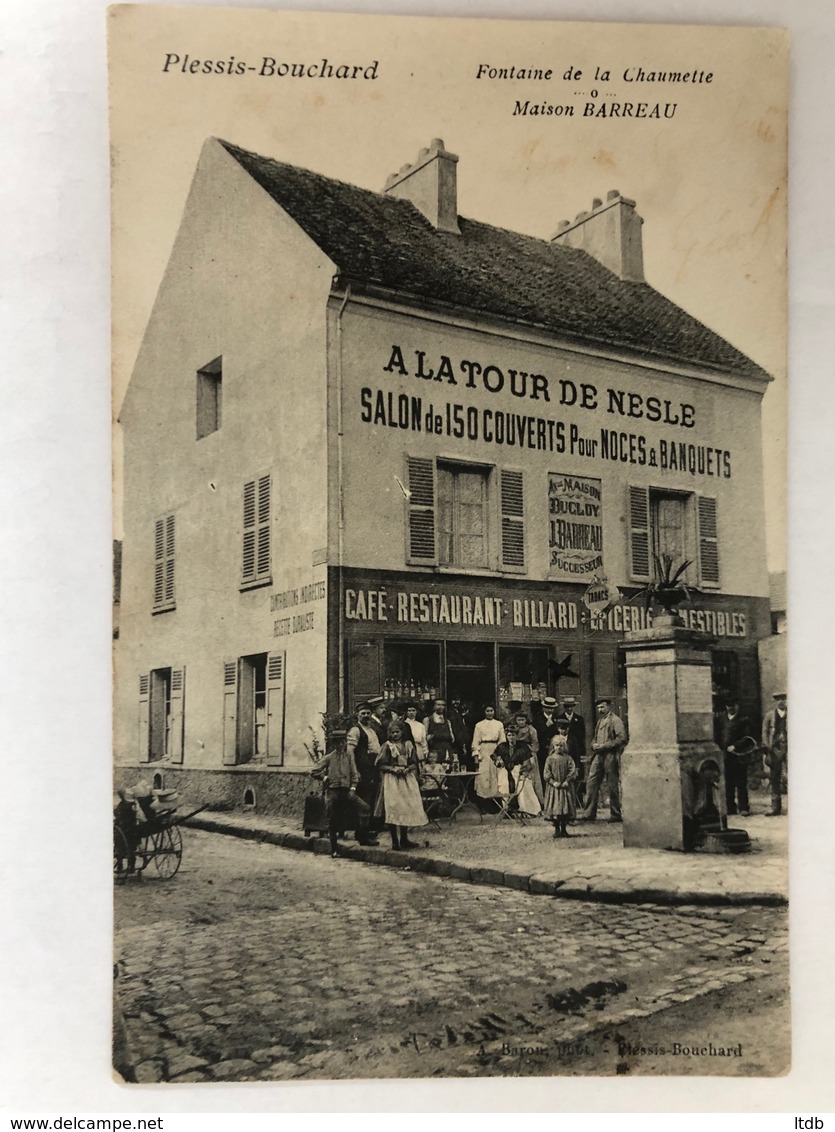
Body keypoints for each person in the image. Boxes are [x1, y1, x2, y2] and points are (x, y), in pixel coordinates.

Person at [311, 731, 379, 855]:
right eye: (338, 742)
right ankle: (334, 849)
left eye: (343, 742)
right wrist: (324, 778)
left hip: (347, 791)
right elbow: (314, 771)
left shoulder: (349, 756)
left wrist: (353, 789)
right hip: (333, 792)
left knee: (365, 808)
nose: (342, 745)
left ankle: (362, 837)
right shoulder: (329, 757)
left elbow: (354, 775)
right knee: (332, 819)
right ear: (334, 744)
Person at [375, 720, 428, 850]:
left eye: (397, 732)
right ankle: (395, 841)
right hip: (392, 780)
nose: (395, 735)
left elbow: (414, 762)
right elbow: (380, 764)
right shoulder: (387, 746)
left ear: (402, 732)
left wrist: (408, 768)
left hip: (406, 779)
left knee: (405, 806)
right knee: (394, 807)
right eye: (392, 732)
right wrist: (393, 769)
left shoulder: (408, 745)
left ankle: (404, 839)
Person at [579, 698, 627, 822]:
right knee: (591, 783)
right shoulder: (600, 721)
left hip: (610, 756)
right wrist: (593, 744)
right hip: (598, 755)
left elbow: (621, 738)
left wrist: (605, 745)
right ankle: (589, 813)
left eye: (602, 707)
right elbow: (595, 738)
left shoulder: (616, 721)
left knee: (612, 785)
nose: (600, 710)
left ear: (609, 707)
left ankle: (615, 814)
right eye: (598, 708)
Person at [716, 697, 753, 816]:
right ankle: (730, 807)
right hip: (726, 756)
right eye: (728, 706)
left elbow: (748, 738)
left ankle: (743, 808)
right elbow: (717, 735)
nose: (730, 708)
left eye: (733, 705)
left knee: (741, 782)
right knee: (728, 783)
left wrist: (735, 746)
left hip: (739, 756)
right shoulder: (721, 719)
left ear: (737, 706)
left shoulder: (743, 719)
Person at [346, 702, 384, 820]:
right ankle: (362, 827)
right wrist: (354, 770)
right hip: (363, 768)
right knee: (363, 797)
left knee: (372, 795)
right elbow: (350, 752)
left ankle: (370, 826)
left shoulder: (372, 730)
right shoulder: (355, 730)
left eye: (368, 713)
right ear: (357, 715)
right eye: (363, 713)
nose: (365, 716)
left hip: (373, 767)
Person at [496, 722, 541, 816]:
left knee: (523, 785)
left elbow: (528, 762)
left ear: (516, 735)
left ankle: (527, 810)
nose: (511, 737)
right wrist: (499, 761)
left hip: (518, 770)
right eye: (509, 735)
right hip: (505, 771)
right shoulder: (502, 746)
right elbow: (496, 759)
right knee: (504, 785)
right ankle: (508, 810)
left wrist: (524, 772)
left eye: (513, 735)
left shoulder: (523, 747)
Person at [542, 722, 578, 838]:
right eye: (557, 745)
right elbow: (546, 773)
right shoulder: (550, 759)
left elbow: (572, 770)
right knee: (555, 808)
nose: (559, 747)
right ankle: (557, 829)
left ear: (564, 746)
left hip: (565, 787)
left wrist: (568, 780)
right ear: (553, 746)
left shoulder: (568, 758)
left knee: (565, 808)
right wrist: (553, 782)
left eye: (561, 745)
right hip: (555, 788)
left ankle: (564, 829)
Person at [762, 692, 788, 816]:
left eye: (783, 699)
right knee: (775, 778)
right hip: (776, 750)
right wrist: (768, 747)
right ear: (775, 702)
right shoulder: (770, 716)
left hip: (790, 749)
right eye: (778, 700)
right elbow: (765, 732)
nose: (781, 702)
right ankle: (775, 807)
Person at [472, 705, 506, 799]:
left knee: (496, 774)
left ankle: (495, 801)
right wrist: (476, 756)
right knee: (484, 775)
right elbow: (475, 741)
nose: (490, 713)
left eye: (491, 710)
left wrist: (501, 754)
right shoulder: (479, 725)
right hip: (484, 750)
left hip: (495, 749)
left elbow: (502, 740)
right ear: (484, 712)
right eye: (487, 711)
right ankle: (484, 801)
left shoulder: (499, 724)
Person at [557, 696, 587, 795]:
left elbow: (582, 735)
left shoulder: (579, 719)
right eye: (567, 707)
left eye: (571, 707)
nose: (569, 709)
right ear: (564, 707)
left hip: (575, 749)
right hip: (563, 749)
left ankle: (578, 797)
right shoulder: (559, 718)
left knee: (576, 774)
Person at [513, 711, 544, 806]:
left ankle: (536, 802)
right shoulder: (514, 729)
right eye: (519, 720)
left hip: (529, 754)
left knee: (532, 777)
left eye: (523, 720)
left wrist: (531, 754)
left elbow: (535, 744)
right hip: (517, 754)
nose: (521, 722)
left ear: (526, 720)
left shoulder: (531, 730)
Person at [423, 699, 458, 765]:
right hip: (434, 753)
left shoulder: (447, 721)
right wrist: (433, 736)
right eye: (438, 705)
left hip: (447, 752)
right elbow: (424, 738)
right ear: (434, 706)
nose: (441, 707)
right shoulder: (428, 720)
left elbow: (452, 739)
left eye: (443, 705)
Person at [532, 695, 560, 778]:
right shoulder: (537, 718)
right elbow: (537, 733)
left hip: (554, 748)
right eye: (547, 708)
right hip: (542, 748)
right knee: (542, 769)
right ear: (543, 708)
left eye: (551, 708)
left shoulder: (556, 718)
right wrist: (546, 726)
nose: (549, 710)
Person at [113, 788, 139, 874]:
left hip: (124, 829)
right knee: (132, 847)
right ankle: (131, 866)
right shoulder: (133, 805)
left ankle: (120, 865)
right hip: (133, 829)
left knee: (118, 841)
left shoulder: (122, 806)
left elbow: (117, 814)